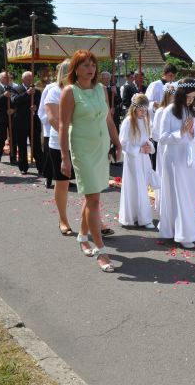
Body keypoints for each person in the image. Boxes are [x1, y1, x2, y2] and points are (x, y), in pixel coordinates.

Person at [59, 50, 121, 272]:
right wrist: (65, 157)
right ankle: (101, 250)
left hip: (101, 148)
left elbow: (108, 118)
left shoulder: (101, 89)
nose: (90, 68)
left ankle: (82, 237)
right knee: (93, 198)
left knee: (92, 195)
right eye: (85, 65)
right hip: (82, 149)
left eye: (92, 64)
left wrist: (118, 143)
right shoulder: (70, 91)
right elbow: (63, 126)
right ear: (75, 69)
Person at [157, 78, 195, 249]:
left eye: (193, 98)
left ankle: (186, 227)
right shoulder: (169, 111)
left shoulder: (192, 112)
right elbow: (162, 137)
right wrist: (181, 131)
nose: (190, 101)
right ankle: (182, 233)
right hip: (174, 159)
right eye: (188, 97)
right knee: (178, 193)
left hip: (189, 159)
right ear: (180, 94)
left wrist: (191, 131)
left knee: (193, 192)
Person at [45, 59, 81, 240]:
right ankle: (63, 220)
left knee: (88, 184)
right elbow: (53, 120)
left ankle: (95, 221)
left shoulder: (81, 90)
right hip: (60, 145)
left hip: (82, 144)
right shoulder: (54, 91)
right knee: (63, 183)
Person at [118, 93, 156, 228]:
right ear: (134, 108)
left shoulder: (145, 120)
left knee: (142, 186)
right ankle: (144, 219)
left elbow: (147, 139)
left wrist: (148, 147)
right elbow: (123, 143)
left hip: (143, 159)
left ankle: (137, 215)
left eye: (145, 110)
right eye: (141, 109)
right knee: (136, 186)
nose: (143, 112)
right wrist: (138, 150)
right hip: (133, 159)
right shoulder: (128, 121)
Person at [13, 71, 44, 175]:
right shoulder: (16, 89)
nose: (31, 81)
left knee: (37, 146)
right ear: (23, 80)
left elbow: (41, 105)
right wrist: (27, 94)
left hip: (33, 122)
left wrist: (36, 108)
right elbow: (15, 101)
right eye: (28, 79)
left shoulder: (38, 92)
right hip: (20, 122)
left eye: (32, 79)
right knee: (22, 146)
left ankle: (41, 167)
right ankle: (23, 167)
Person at [151, 83, 175, 207]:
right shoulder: (161, 111)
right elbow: (155, 132)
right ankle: (162, 201)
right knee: (162, 172)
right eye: (172, 96)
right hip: (163, 146)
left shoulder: (175, 111)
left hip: (173, 145)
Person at [0, 72, 17, 165]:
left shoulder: (13, 89)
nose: (8, 78)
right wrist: (4, 95)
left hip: (12, 117)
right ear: (0, 78)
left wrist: (14, 110)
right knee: (1, 138)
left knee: (13, 138)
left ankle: (13, 157)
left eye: (9, 77)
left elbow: (17, 102)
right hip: (1, 117)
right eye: (5, 77)